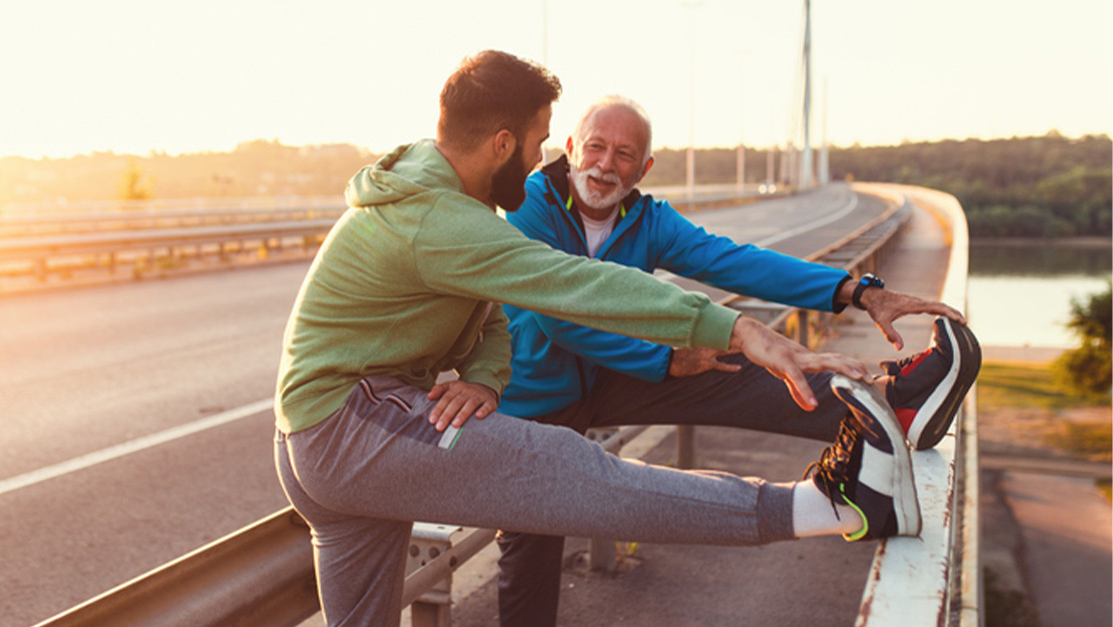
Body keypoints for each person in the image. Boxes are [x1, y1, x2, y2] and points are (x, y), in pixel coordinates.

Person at [274, 50, 936, 627]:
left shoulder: (453, 198)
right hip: (351, 424)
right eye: (542, 142)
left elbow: (493, 317)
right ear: (504, 143)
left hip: (330, 434)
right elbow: (572, 288)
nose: (545, 159)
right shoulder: (446, 218)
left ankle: (884, 406)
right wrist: (734, 327)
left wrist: (481, 376)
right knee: (576, 473)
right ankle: (829, 504)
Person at [492, 95, 982, 626]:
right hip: (534, 398)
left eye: (625, 154)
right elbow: (558, 316)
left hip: (612, 374)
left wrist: (856, 292)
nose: (606, 165)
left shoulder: (647, 221)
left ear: (645, 168)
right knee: (530, 549)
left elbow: (736, 262)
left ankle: (894, 403)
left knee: (730, 366)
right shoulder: (529, 205)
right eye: (596, 147)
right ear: (570, 149)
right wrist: (665, 358)